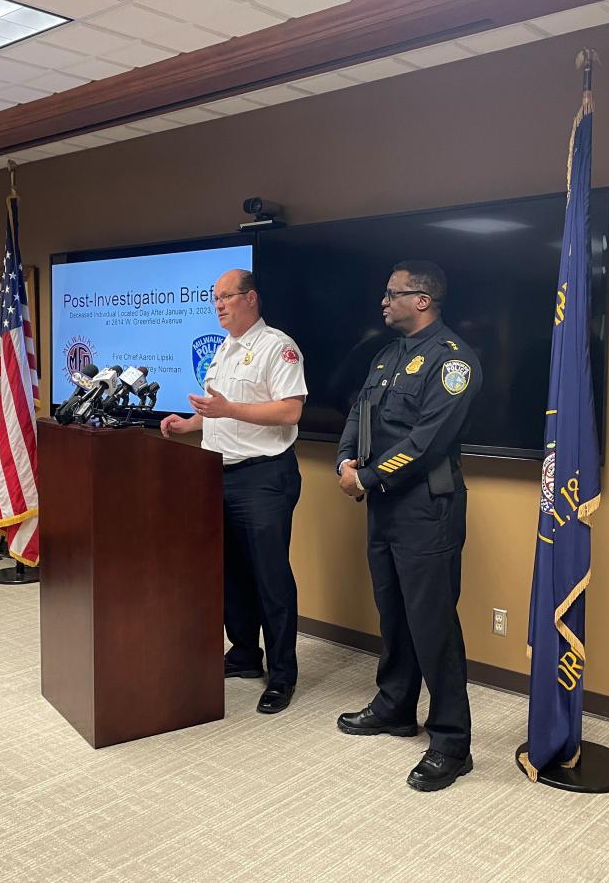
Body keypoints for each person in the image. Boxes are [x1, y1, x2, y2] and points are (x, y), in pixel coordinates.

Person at [335, 260, 483, 791]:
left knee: (433, 624)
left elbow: (427, 442)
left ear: (422, 300)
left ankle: (451, 742)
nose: (383, 301)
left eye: (393, 293)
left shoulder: (453, 363)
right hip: (383, 505)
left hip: (426, 507)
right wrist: (346, 461)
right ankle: (395, 706)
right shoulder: (386, 355)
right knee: (393, 612)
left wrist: (368, 477)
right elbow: (359, 413)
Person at [161, 268, 307, 715]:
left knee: (270, 578)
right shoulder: (223, 350)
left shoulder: (277, 347)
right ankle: (245, 653)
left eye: (227, 296)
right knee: (230, 575)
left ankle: (282, 674)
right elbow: (219, 412)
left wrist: (228, 408)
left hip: (263, 477)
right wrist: (190, 423)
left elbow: (289, 411)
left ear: (251, 299)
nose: (219, 305)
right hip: (217, 474)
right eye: (214, 298)